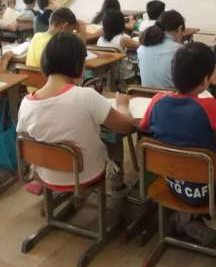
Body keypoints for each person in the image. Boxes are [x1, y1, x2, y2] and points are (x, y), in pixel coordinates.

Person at [17, 32, 135, 195]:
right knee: (111, 136)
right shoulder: (86, 96)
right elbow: (126, 127)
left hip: (46, 174)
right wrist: (123, 106)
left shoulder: (26, 103)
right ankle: (117, 185)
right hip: (86, 174)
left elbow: (26, 138)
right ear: (78, 65)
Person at [141, 42, 216, 206]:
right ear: (205, 80)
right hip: (207, 192)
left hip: (171, 182)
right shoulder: (209, 107)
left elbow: (143, 126)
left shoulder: (157, 100)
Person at [137, 10, 185, 87]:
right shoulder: (180, 51)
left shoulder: (141, 48)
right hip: (170, 94)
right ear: (180, 29)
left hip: (145, 93)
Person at [97, 10, 139, 86]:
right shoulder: (123, 39)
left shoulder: (100, 39)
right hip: (124, 76)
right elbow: (139, 45)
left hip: (107, 75)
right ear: (120, 24)